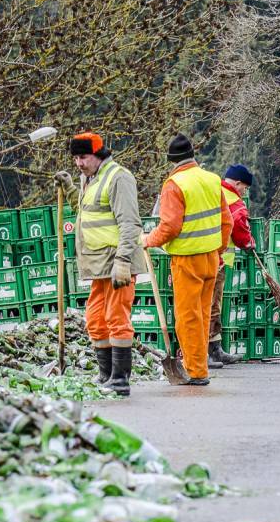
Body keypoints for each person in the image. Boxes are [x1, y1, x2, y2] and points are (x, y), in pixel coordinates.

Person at [144, 133, 233, 385]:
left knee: (188, 316)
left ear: (171, 161)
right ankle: (199, 363)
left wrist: (147, 240)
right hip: (211, 259)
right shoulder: (212, 180)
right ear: (193, 157)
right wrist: (218, 250)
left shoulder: (174, 184)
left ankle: (195, 371)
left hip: (187, 259)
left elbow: (170, 226)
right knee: (204, 314)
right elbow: (228, 221)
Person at [69, 131, 147, 396]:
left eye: (83, 157)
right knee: (95, 319)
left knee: (117, 317)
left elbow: (130, 222)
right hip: (98, 264)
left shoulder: (119, 177)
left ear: (98, 154)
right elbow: (88, 212)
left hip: (116, 262)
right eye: (76, 158)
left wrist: (123, 261)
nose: (79, 163)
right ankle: (106, 375)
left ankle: (121, 379)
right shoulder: (90, 180)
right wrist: (70, 189)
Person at [210, 163, 256, 367]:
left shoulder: (211, 190)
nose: (244, 192)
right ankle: (210, 352)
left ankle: (214, 349)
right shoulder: (234, 201)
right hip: (218, 261)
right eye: (244, 188)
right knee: (212, 306)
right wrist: (249, 243)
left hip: (201, 255)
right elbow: (239, 230)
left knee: (208, 305)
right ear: (237, 184)